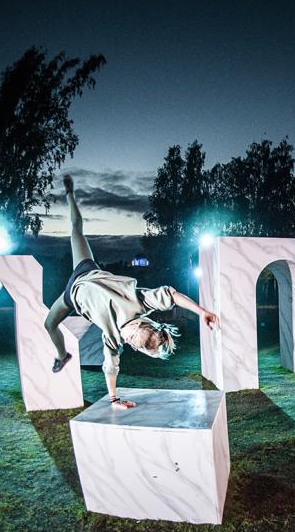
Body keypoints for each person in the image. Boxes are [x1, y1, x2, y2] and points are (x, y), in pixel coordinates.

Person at [44, 174, 220, 408]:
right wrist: (201, 311)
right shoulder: (138, 302)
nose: (126, 342)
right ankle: (69, 193)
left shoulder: (113, 338)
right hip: (85, 271)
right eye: (132, 341)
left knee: (49, 323)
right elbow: (172, 295)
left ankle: (62, 356)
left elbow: (111, 367)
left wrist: (114, 399)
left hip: (72, 296)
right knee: (76, 228)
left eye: (129, 342)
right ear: (139, 333)